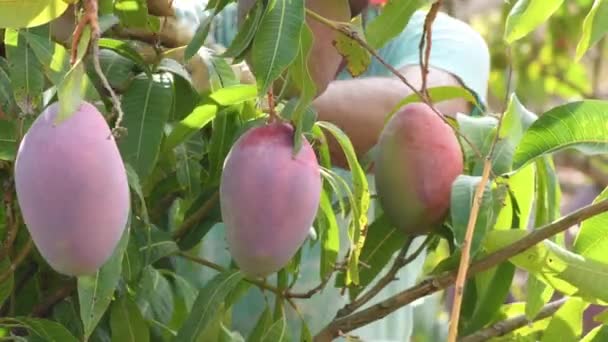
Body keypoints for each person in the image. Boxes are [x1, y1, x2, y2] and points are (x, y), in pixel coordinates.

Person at [171, 1, 491, 340]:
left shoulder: (434, 39)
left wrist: (241, 84)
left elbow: (418, 121)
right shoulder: (213, 24)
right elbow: (156, 28)